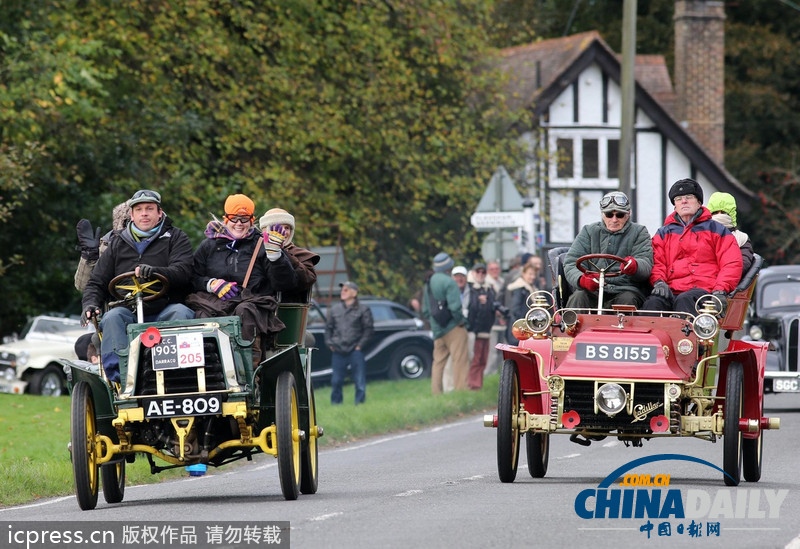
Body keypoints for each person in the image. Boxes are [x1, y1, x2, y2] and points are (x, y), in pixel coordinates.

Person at [81, 189, 195, 383]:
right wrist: (90, 304)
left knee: (182, 313)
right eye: (139, 209)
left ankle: (178, 376)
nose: (144, 213)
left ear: (159, 213)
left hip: (165, 308)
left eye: (149, 209)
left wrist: (158, 271)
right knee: (111, 317)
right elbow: (96, 282)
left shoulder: (176, 237)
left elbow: (184, 271)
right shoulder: (117, 244)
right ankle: (123, 380)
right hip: (128, 311)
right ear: (131, 215)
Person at [187, 194, 298, 362]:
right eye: (234, 218)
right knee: (201, 315)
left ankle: (247, 369)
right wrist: (211, 284)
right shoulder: (208, 245)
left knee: (244, 311)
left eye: (244, 219)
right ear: (226, 219)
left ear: (252, 220)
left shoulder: (262, 244)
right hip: (214, 303)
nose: (239, 224)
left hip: (253, 303)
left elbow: (284, 284)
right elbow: (192, 277)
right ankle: (210, 367)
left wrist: (276, 256)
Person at [642, 179, 742, 315]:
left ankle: (685, 337)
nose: (684, 201)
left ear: (699, 203)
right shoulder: (663, 233)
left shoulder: (717, 230)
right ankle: (652, 337)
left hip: (704, 291)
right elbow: (656, 262)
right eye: (678, 199)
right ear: (675, 206)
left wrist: (720, 290)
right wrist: (659, 282)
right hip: (671, 290)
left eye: (689, 197)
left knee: (685, 300)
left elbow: (731, 263)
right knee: (652, 303)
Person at [563, 191, 654, 309]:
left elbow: (646, 262)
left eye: (620, 215)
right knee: (578, 297)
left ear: (628, 214)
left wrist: (635, 266)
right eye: (609, 215)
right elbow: (571, 263)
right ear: (602, 215)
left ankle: (623, 327)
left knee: (627, 300)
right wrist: (582, 280)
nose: (614, 219)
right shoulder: (588, 231)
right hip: (592, 290)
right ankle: (572, 326)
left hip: (625, 289)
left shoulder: (639, 232)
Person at [422, 252, 469, 394]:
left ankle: (436, 394)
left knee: (438, 363)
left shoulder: (429, 283)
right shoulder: (449, 282)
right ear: (449, 266)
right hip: (453, 328)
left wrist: (434, 324)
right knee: (459, 361)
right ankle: (461, 392)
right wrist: (461, 321)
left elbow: (425, 310)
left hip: (437, 329)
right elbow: (455, 307)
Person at [326, 281, 374, 405]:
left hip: (355, 350)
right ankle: (336, 405)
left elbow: (368, 329)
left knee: (359, 380)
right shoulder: (335, 309)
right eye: (342, 290)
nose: (342, 292)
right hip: (338, 350)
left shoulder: (364, 309)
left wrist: (360, 346)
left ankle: (360, 404)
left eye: (346, 290)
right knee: (336, 381)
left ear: (354, 293)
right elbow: (328, 328)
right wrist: (330, 343)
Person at [258, 208, 320, 303]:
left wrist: (282, 253)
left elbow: (306, 281)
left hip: (287, 311)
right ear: (265, 231)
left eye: (286, 228)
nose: (283, 232)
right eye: (277, 227)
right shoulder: (254, 253)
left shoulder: (301, 255)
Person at [74, 202, 131, 292]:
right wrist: (90, 256)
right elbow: (83, 286)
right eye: (129, 221)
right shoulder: (108, 245)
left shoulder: (160, 241)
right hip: (117, 301)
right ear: (122, 222)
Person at [706, 192, 755, 277]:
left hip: (729, 285)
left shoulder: (741, 238)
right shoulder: (700, 235)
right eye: (715, 212)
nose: (719, 216)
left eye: (724, 212)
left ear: (732, 214)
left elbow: (742, 264)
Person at [467, 262, 496, 390]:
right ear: (473, 273)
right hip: (474, 329)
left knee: (483, 359)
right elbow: (471, 307)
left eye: (483, 272)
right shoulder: (470, 287)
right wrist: (479, 301)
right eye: (478, 271)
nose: (480, 274)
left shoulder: (488, 288)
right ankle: (472, 384)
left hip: (486, 329)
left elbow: (493, 306)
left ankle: (478, 384)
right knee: (475, 359)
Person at [505, 263, 537, 344]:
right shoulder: (519, 289)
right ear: (523, 274)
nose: (532, 277)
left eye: (534, 274)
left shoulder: (532, 289)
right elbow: (515, 310)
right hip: (520, 332)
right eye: (530, 274)